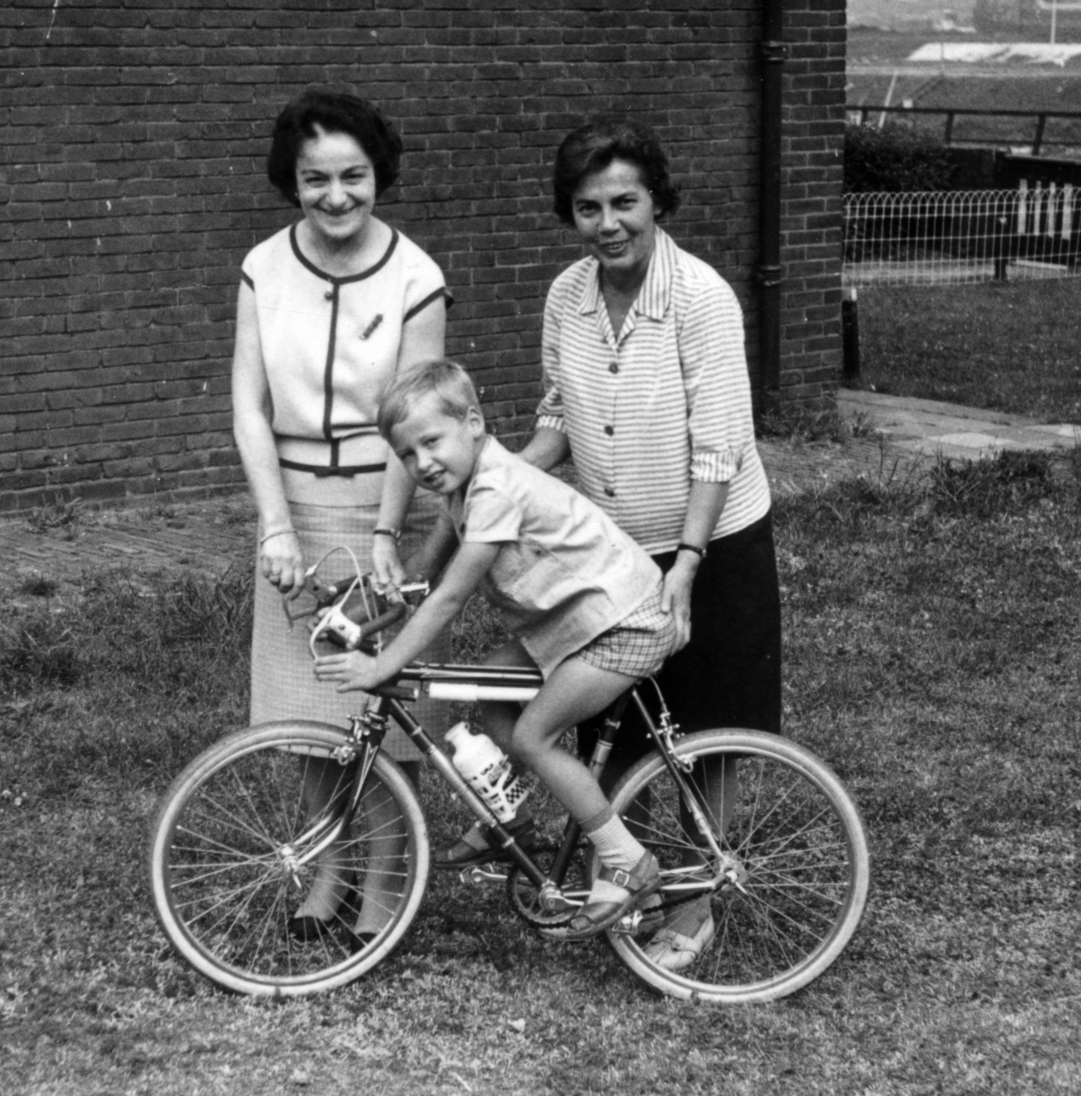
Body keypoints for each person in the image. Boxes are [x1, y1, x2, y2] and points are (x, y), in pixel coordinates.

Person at [518, 117, 782, 970]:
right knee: (622, 724)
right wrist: (501, 486)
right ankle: (627, 873)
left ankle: (699, 899)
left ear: (656, 202)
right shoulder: (567, 295)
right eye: (588, 207)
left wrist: (690, 566)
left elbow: (719, 446)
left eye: (625, 202)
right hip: (617, 547)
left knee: (709, 723)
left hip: (714, 540)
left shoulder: (700, 296)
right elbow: (557, 416)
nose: (608, 223)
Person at [315, 359, 676, 939]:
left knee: (532, 737)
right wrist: (354, 608)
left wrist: (382, 664)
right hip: (573, 621)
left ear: (475, 423)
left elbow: (451, 596)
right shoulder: (462, 490)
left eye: (431, 442)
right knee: (488, 687)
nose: (422, 463)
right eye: (407, 455)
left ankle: (629, 861)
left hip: (623, 622)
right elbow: (421, 581)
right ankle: (514, 822)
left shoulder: (498, 487)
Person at [231, 90, 450, 942]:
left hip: (378, 504)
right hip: (293, 514)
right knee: (303, 712)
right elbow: (249, 407)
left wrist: (389, 537)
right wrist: (276, 523)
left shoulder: (417, 277)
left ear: (378, 175)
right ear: (291, 180)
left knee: (383, 712)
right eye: (314, 179)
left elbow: (416, 420)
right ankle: (329, 867)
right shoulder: (261, 267)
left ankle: (388, 880)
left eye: (352, 177)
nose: (335, 196)